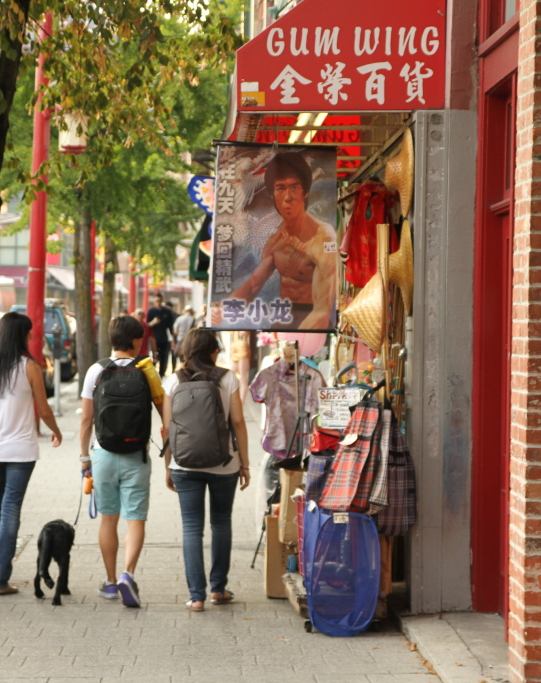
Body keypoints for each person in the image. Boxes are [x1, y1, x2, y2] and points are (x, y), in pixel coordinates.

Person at [0, 312, 62, 595]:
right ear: (20, 335)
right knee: (9, 509)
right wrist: (57, 431)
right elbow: (44, 409)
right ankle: (0, 578)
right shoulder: (28, 367)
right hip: (20, 451)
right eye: (29, 333)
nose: (32, 337)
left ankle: (0, 571)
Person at [162, 328, 250, 612]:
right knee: (221, 522)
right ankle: (218, 590)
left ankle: (196, 596)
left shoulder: (172, 381)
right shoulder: (228, 378)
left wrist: (168, 467)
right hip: (225, 463)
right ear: (212, 351)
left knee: (191, 528)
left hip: (184, 464)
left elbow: (168, 430)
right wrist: (245, 463)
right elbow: (238, 422)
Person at [79, 315, 163, 608]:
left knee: (108, 519)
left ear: (112, 339)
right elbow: (166, 416)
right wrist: (170, 455)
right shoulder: (147, 371)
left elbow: (87, 419)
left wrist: (84, 458)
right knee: (135, 519)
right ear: (137, 341)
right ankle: (129, 574)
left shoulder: (96, 371)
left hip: (102, 455)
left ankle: (111, 582)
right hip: (137, 457)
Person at [214, 152, 338, 330]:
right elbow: (252, 286)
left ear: (305, 192)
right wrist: (223, 309)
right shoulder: (275, 241)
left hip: (315, 325)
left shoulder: (324, 237)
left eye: (294, 187)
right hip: (284, 320)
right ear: (273, 196)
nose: (287, 197)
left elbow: (323, 309)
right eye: (281, 188)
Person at [147, 294, 176, 375]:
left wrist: (173, 340)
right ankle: (152, 374)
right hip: (153, 339)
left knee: (164, 357)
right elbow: (147, 326)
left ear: (162, 301)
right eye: (157, 301)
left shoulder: (167, 312)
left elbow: (171, 327)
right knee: (154, 357)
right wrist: (153, 322)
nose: (158, 303)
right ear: (154, 301)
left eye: (160, 301)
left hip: (164, 339)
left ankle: (162, 373)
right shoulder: (151, 311)